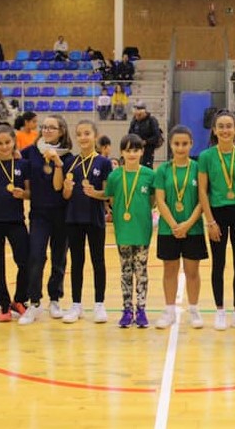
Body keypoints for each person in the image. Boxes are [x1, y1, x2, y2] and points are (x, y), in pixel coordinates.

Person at [197, 111, 235, 331]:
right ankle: (220, 311)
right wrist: (210, 222)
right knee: (218, 264)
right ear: (214, 130)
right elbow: (203, 191)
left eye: (229, 126)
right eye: (220, 126)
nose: (225, 130)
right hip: (217, 215)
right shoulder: (206, 156)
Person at [17, 115, 73, 325]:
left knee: (59, 257)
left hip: (62, 214)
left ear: (61, 131)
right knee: (36, 255)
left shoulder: (67, 157)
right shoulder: (30, 152)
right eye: (44, 127)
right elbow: (9, 159)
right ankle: (34, 302)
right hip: (39, 213)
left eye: (52, 128)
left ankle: (55, 299)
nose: (47, 130)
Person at [154, 126, 207, 329]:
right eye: (177, 143)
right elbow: (160, 199)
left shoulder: (198, 168)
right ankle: (169, 311)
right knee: (170, 270)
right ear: (170, 145)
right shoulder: (163, 170)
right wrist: (175, 224)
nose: (181, 147)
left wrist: (187, 224)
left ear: (191, 144)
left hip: (192, 228)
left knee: (192, 271)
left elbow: (202, 200)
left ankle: (193, 309)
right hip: (169, 229)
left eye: (185, 144)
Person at [102, 134, 156, 328]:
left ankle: (141, 309)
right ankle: (126, 310)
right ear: (122, 152)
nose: (132, 154)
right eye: (127, 150)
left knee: (141, 270)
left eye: (135, 150)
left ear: (142, 151)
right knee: (125, 271)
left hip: (142, 230)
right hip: (123, 230)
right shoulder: (115, 176)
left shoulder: (149, 175)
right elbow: (111, 199)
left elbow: (152, 200)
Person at [61, 120, 111, 324]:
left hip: (95, 218)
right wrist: (67, 189)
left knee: (98, 261)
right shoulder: (70, 162)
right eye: (79, 134)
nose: (83, 137)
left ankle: (99, 304)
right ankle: (76, 305)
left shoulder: (103, 162)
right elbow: (64, 195)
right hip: (73, 218)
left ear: (95, 136)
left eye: (87, 133)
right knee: (77, 261)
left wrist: (95, 193)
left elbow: (108, 194)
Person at [0, 125, 31, 322]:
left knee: (26, 261)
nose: (4, 147)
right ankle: (3, 304)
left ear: (14, 143)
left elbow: (30, 192)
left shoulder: (23, 165)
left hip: (16, 220)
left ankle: (19, 299)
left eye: (7, 143)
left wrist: (24, 195)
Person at [128, 101, 161, 168]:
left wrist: (145, 142)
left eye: (139, 114)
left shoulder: (151, 120)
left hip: (148, 150)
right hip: (136, 149)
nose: (137, 116)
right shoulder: (134, 121)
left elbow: (156, 136)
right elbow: (130, 134)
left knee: (147, 167)